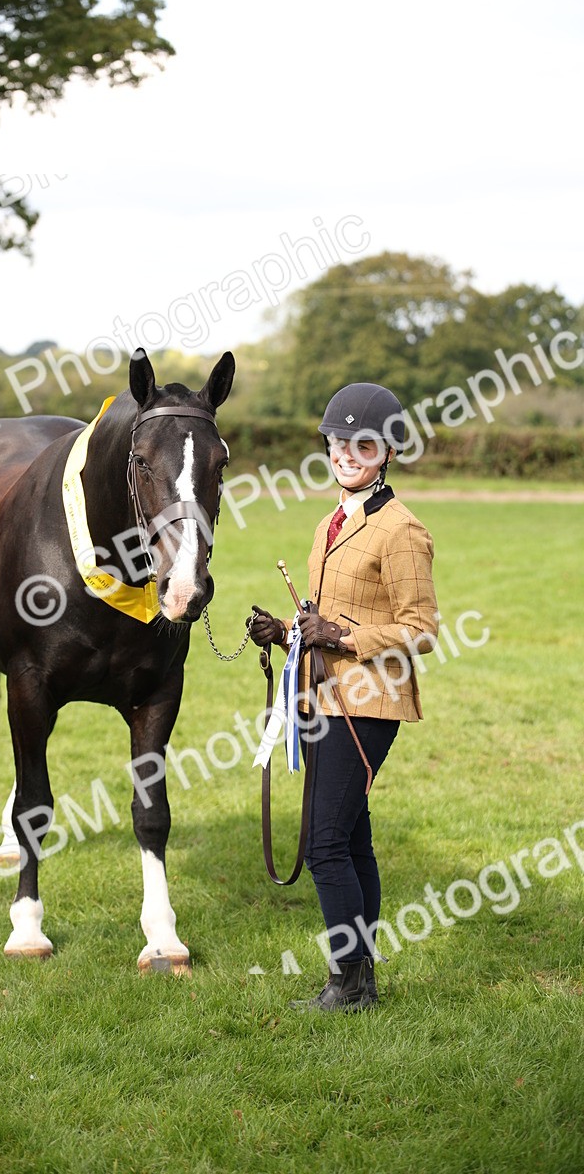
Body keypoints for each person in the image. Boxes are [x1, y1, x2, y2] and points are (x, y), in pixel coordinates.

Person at [248, 382, 438, 1011]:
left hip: (372, 702)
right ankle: (361, 981)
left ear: (386, 451)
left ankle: (348, 982)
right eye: (338, 441)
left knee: (325, 843)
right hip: (325, 695)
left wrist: (345, 637)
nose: (348, 454)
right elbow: (328, 616)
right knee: (354, 842)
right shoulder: (331, 521)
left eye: (363, 444)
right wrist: (288, 631)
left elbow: (420, 631)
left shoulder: (402, 530)